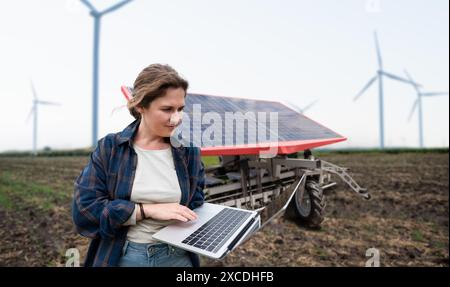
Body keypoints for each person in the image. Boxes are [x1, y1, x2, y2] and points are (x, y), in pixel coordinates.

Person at [72, 64, 205, 267]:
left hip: (179, 258)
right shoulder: (111, 148)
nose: (176, 118)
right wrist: (146, 210)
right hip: (126, 256)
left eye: (180, 109)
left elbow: (196, 202)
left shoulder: (189, 152)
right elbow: (85, 210)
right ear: (141, 106)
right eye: (167, 109)